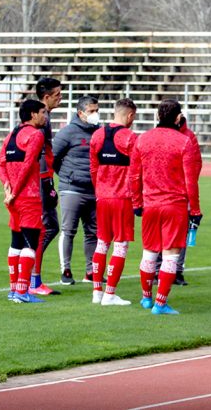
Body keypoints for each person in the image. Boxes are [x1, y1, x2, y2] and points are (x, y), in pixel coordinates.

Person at [130, 99, 202, 315]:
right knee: (171, 255)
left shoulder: (142, 140)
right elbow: (191, 180)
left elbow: (134, 175)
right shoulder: (184, 142)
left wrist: (136, 203)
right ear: (178, 118)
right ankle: (160, 303)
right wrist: (195, 210)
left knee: (149, 253)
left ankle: (146, 298)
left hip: (150, 204)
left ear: (158, 116)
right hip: (174, 205)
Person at [0, 99, 48, 303]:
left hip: (13, 200)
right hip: (28, 197)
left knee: (16, 241)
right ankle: (23, 292)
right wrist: (15, 191)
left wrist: (6, 187)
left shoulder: (12, 135)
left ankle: (13, 289)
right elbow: (27, 167)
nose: (45, 116)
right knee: (30, 244)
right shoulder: (36, 135)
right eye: (43, 112)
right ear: (33, 114)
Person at [89, 98, 138, 306]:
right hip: (122, 198)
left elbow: (93, 168)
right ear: (130, 116)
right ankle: (110, 293)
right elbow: (136, 172)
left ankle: (97, 292)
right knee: (120, 245)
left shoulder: (97, 135)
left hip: (102, 197)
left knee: (102, 243)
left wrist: (99, 190)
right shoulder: (130, 138)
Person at [52, 96, 101, 284]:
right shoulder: (67, 133)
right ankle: (66, 270)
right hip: (72, 189)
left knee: (93, 232)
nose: (95, 114)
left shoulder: (99, 132)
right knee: (68, 230)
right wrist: (66, 176)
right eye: (91, 110)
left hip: (93, 190)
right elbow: (53, 158)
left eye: (97, 110)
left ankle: (91, 271)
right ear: (81, 113)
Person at [154, 115, 203, 287]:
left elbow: (196, 163)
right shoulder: (160, 135)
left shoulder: (188, 137)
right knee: (160, 232)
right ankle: (158, 269)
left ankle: (177, 270)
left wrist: (188, 185)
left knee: (180, 233)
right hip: (162, 191)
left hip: (180, 192)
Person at [30, 77, 62, 296]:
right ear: (47, 96)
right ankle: (34, 279)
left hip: (41, 178)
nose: (60, 98)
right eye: (58, 95)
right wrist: (47, 182)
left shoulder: (38, 115)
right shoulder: (42, 119)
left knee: (43, 228)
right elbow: (39, 152)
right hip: (41, 179)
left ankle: (30, 275)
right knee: (46, 228)